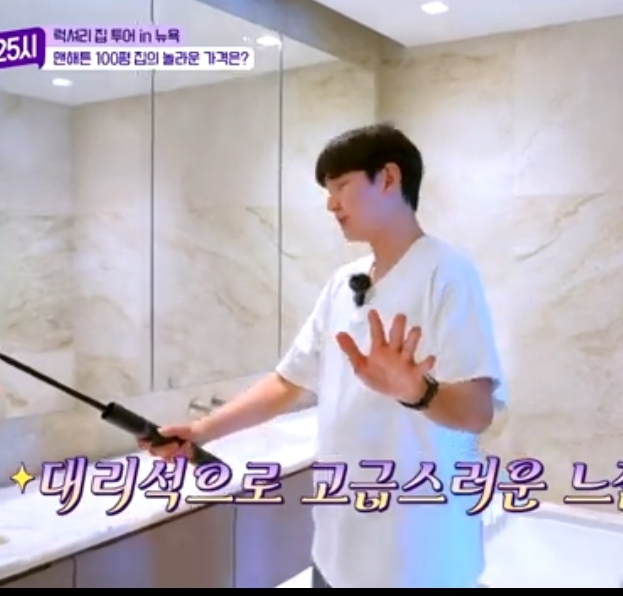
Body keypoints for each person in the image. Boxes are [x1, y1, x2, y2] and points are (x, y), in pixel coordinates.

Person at [142, 123, 503, 588]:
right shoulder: (343, 282)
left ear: (388, 178)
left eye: (341, 186)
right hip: (337, 552)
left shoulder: (448, 273)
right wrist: (200, 431)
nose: (331, 204)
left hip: (419, 559)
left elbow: (477, 412)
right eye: (328, 192)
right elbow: (286, 382)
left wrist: (418, 392)